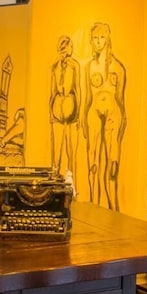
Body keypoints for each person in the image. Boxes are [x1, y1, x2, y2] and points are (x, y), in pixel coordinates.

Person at [83, 22, 126, 210]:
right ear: (91, 41)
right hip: (93, 112)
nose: (99, 41)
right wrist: (83, 119)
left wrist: (122, 123)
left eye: (102, 37)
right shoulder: (89, 67)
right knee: (93, 165)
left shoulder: (118, 67)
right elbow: (87, 97)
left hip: (113, 114)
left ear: (108, 39)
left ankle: (113, 210)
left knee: (112, 166)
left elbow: (121, 99)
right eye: (95, 38)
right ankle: (93, 207)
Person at [49, 35, 81, 183]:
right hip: (57, 108)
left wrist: (78, 113)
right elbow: (52, 91)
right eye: (62, 50)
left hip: (70, 108)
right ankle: (54, 179)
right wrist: (51, 113)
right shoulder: (54, 67)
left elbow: (77, 88)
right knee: (56, 151)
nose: (65, 53)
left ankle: (71, 183)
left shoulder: (74, 66)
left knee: (71, 150)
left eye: (66, 49)